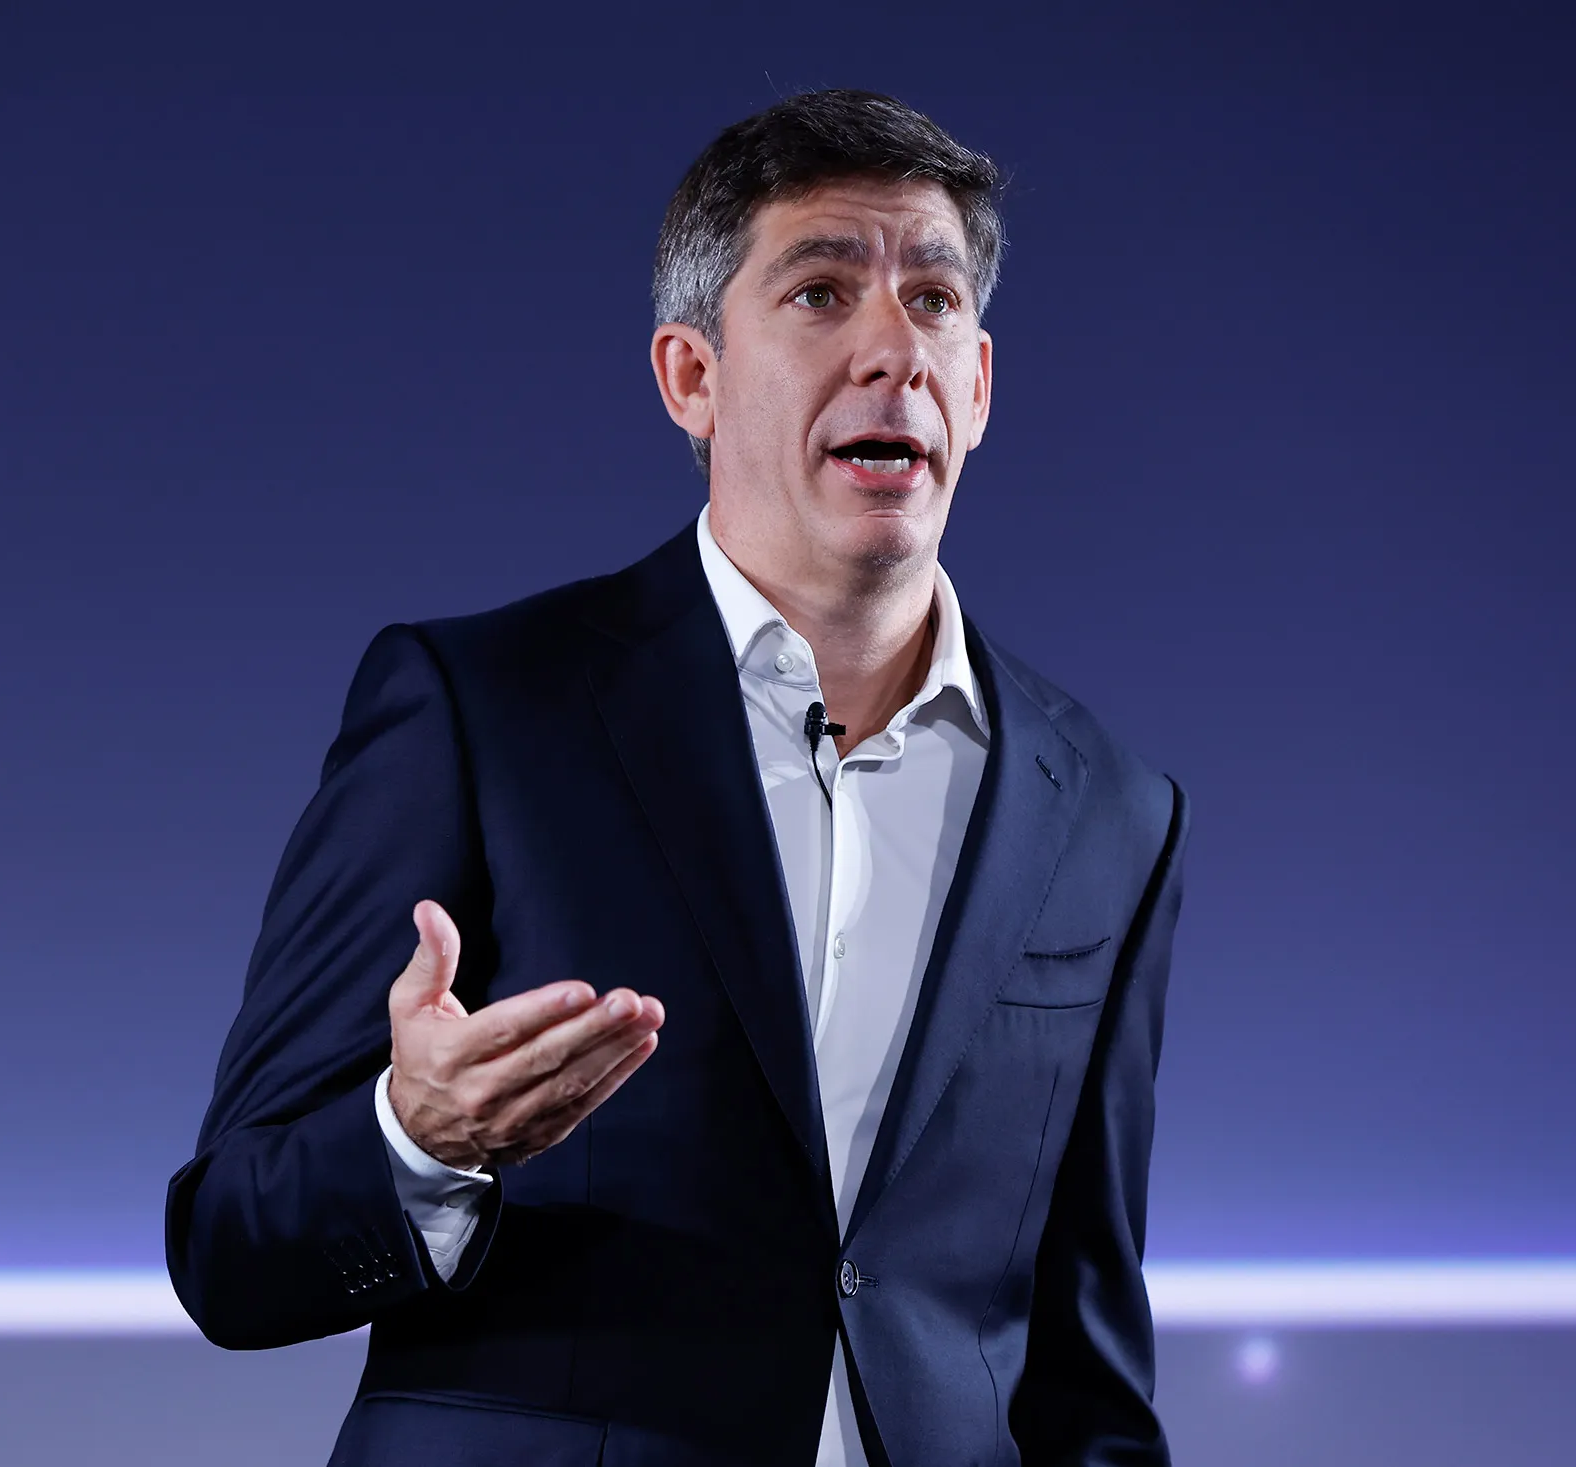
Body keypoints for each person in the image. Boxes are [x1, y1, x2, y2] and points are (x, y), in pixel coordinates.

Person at [166, 88, 1190, 1467]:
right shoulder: (478, 706)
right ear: (691, 378)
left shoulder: (1113, 809)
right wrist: (420, 1139)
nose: (895, 347)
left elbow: (1083, 1365)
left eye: (934, 301)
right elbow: (227, 1248)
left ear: (982, 386)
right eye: (821, 292)